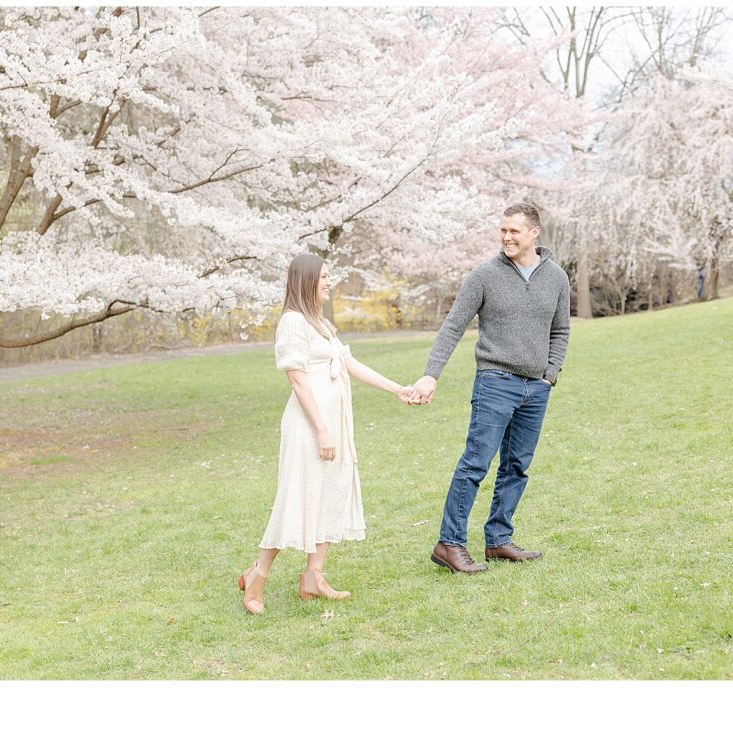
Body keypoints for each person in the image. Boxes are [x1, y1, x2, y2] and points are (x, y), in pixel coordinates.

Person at [239, 253, 414, 614]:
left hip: (334, 422)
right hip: (309, 425)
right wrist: (321, 430)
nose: (329, 282)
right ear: (305, 281)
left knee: (330, 494)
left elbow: (350, 364)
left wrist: (398, 389)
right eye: (323, 277)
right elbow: (299, 383)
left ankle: (313, 577)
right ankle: (257, 577)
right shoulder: (291, 322)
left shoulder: (320, 323)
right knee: (297, 497)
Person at [409, 202, 570, 574]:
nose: (506, 237)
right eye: (503, 230)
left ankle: (498, 540)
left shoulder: (557, 278)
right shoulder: (484, 275)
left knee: (518, 466)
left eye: (514, 231)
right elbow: (452, 326)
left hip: (536, 387)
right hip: (495, 382)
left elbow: (560, 329)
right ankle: (449, 543)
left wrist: (550, 374)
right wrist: (431, 374)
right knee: (476, 463)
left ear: (534, 233)